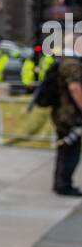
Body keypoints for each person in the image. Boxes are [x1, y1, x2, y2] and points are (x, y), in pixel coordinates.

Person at [51, 44, 82, 197]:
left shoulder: (62, 61)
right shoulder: (72, 64)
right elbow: (74, 88)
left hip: (62, 114)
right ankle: (64, 185)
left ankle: (60, 183)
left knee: (64, 149)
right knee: (70, 151)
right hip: (69, 116)